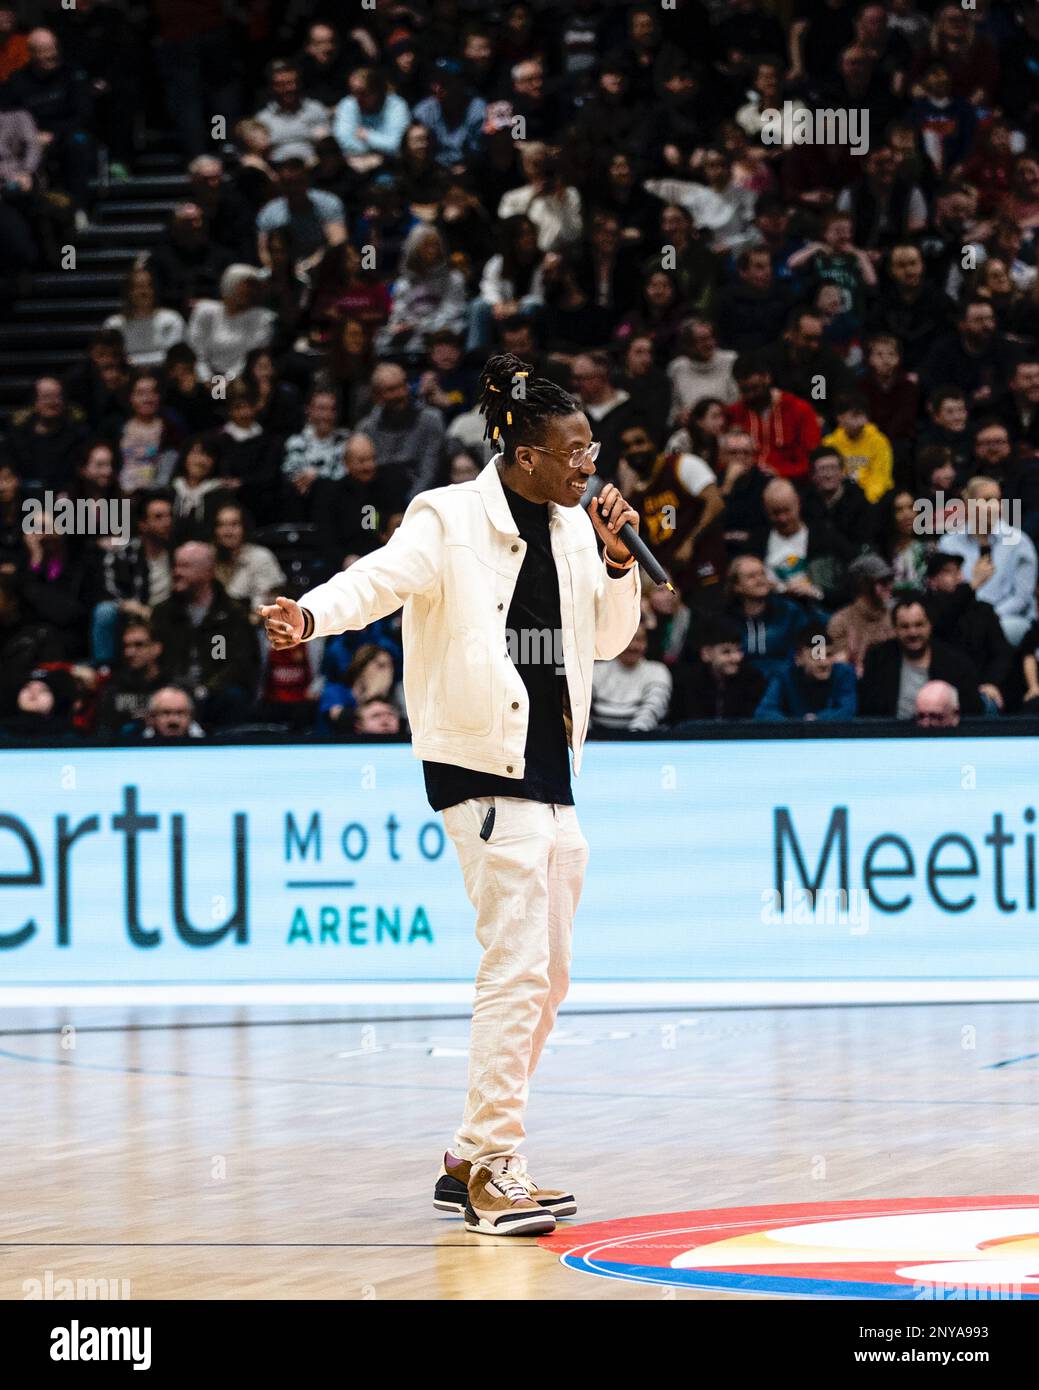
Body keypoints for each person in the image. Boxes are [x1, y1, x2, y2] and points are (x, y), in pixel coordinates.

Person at [261, 352, 641, 1238]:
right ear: (521, 451)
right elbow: (377, 581)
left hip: (555, 776)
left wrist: (619, 560)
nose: (590, 464)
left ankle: (468, 1159)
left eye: (592, 448)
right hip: (480, 771)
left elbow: (608, 643)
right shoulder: (447, 517)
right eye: (574, 450)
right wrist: (310, 614)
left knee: (549, 980)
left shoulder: (576, 527)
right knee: (515, 970)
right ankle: (490, 1167)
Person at [149, 541, 260, 728]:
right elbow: (158, 660)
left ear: (208, 571)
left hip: (216, 693)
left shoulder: (232, 613)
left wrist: (206, 689)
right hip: (172, 690)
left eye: (184, 566)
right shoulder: (163, 612)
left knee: (234, 696)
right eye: (175, 566)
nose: (176, 572)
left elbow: (240, 664)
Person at [937, 477, 1039, 646]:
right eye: (986, 500)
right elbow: (946, 594)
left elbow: (1022, 598)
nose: (994, 507)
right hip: (962, 619)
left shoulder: (1019, 542)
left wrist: (986, 619)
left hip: (1006, 620)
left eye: (997, 500)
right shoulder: (949, 543)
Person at [858, 595, 983, 718]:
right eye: (904, 626)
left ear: (930, 625)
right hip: (892, 735)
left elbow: (971, 712)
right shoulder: (877, 658)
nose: (912, 632)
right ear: (895, 629)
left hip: (940, 733)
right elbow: (868, 711)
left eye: (919, 625)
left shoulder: (956, 663)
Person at [186, 265, 275, 382]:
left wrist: (227, 381)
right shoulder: (205, 311)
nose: (249, 291)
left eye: (253, 286)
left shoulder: (262, 318)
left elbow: (251, 357)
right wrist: (207, 379)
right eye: (245, 285)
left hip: (243, 380)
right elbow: (196, 352)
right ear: (229, 284)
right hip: (206, 380)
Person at [754, 626, 857, 722]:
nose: (824, 662)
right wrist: (796, 726)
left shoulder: (844, 673)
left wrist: (817, 719)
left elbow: (847, 710)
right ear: (798, 658)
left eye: (828, 655)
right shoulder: (784, 675)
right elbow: (764, 712)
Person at [590, 621, 672, 731]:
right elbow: (580, 712)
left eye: (639, 639)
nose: (633, 646)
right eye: (627, 640)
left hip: (642, 740)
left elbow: (651, 712)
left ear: (646, 644)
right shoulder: (596, 670)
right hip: (596, 740)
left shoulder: (658, 671)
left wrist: (631, 741)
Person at [827, 554, 895, 677]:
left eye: (890, 580)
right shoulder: (841, 621)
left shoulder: (894, 617)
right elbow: (841, 666)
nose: (889, 586)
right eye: (883, 582)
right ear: (863, 584)